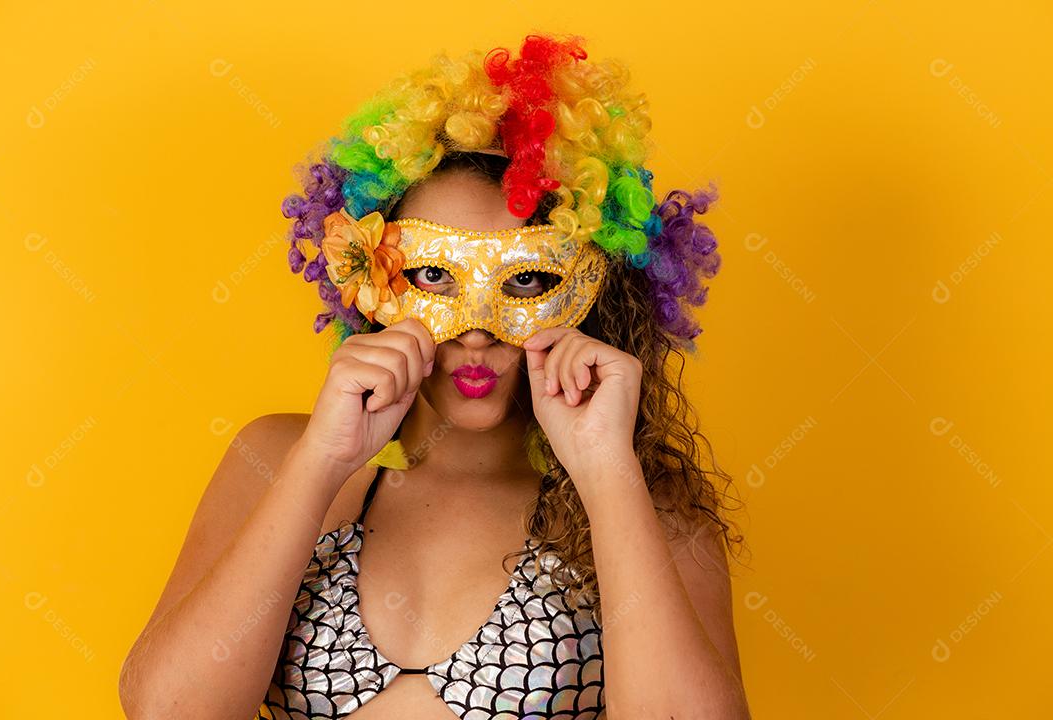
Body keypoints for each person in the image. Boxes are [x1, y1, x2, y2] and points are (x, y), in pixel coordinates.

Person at [119, 32, 750, 720]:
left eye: (528, 279)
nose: (474, 330)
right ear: (363, 273)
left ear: (595, 293)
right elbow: (170, 711)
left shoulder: (650, 509)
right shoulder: (275, 458)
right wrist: (322, 461)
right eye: (431, 276)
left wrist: (606, 473)